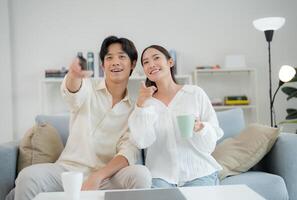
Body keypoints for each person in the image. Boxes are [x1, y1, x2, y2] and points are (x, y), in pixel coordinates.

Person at [10, 36, 151, 200]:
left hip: (108, 177)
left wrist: (98, 176)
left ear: (133, 64)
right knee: (28, 176)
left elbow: (128, 151)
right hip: (69, 171)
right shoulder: (87, 87)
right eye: (109, 58)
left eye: (121, 57)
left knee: (141, 174)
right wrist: (74, 76)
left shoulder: (135, 110)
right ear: (102, 65)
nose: (115, 62)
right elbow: (73, 94)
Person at [128, 45, 223, 188]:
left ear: (170, 62)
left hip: (199, 171)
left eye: (156, 58)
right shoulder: (145, 103)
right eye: (146, 62)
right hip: (160, 175)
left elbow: (210, 145)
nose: (151, 64)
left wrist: (201, 128)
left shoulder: (195, 93)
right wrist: (141, 105)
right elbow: (141, 141)